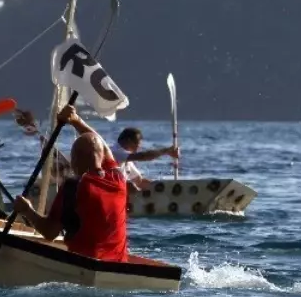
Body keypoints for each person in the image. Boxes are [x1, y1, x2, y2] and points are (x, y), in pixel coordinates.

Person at [13, 105, 129, 262]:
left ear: (75, 161)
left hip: (84, 266)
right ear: (101, 158)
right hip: (118, 265)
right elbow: (101, 145)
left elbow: (50, 232)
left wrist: (27, 210)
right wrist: (76, 120)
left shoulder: (73, 187)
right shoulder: (118, 179)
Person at [110, 127, 179, 190]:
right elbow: (143, 156)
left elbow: (139, 181)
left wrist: (164, 188)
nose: (139, 147)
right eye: (138, 143)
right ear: (129, 141)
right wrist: (165, 151)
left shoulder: (126, 158)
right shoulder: (115, 152)